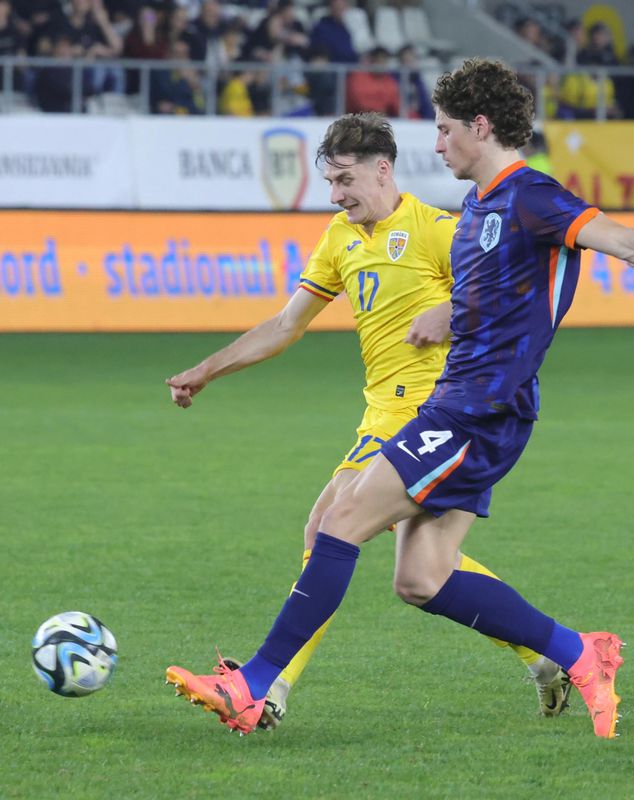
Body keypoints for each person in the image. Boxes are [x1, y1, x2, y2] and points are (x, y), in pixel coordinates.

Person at [165, 57, 634, 740]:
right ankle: (577, 653)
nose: (435, 143)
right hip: (466, 406)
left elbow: (628, 242)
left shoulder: (532, 196)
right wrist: (454, 316)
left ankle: (255, 685)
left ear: (480, 127)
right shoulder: (477, 208)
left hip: (477, 408)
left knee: (336, 524)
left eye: (444, 129)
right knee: (421, 578)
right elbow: (487, 295)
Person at [165, 112, 569, 728]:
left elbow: (499, 301)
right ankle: (548, 652)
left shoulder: (440, 231)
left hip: (432, 415)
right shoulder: (338, 237)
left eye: (345, 179)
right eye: (330, 182)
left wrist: (448, 317)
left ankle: (267, 688)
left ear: (383, 169)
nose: (336, 195)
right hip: (379, 413)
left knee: (330, 525)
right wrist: (207, 369)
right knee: (425, 568)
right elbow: (284, 326)